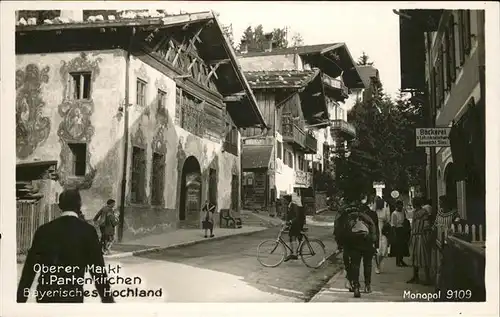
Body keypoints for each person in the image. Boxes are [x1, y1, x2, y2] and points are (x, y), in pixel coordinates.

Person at [17, 189, 114, 303]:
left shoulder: (44, 230)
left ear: (60, 206)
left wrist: (20, 300)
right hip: (72, 296)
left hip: (46, 296)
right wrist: (108, 300)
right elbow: (98, 270)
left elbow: (30, 269)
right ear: (79, 206)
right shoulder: (88, 231)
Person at [339, 192, 378, 298]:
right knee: (368, 264)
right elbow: (376, 229)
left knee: (355, 265)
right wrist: (376, 245)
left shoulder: (349, 214)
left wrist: (343, 243)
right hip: (368, 242)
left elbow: (342, 230)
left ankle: (356, 286)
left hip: (354, 242)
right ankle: (367, 286)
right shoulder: (371, 214)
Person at [407, 197, 432, 285]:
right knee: (415, 257)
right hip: (416, 236)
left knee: (423, 257)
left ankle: (427, 278)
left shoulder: (423, 213)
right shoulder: (416, 212)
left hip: (421, 236)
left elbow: (426, 226)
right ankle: (416, 276)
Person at [284, 193, 305, 262]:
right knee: (291, 237)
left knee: (293, 236)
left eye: (285, 200)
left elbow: (296, 216)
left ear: (288, 200)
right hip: (293, 224)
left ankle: (295, 254)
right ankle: (292, 252)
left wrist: (290, 221)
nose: (284, 202)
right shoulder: (290, 205)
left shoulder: (294, 205)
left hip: (297, 224)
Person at [390, 200, 410, 267]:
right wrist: (394, 234)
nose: (401, 207)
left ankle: (401, 259)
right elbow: (393, 225)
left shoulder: (402, 212)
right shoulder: (394, 214)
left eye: (401, 205)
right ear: (396, 206)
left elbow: (405, 219)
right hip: (397, 230)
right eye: (399, 205)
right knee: (398, 247)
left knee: (403, 247)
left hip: (402, 230)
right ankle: (398, 261)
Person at [374, 196, 391, 274]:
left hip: (379, 228)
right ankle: (378, 265)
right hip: (379, 228)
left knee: (380, 250)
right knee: (380, 249)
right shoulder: (385, 205)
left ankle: (378, 265)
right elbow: (388, 218)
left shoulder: (383, 205)